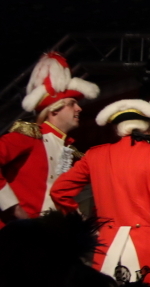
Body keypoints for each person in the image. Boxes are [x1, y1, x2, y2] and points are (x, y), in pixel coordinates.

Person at [51, 98, 150, 287]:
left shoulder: (95, 154)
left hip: (106, 243)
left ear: (117, 128)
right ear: (147, 127)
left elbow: (59, 191)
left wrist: (83, 222)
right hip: (146, 243)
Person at [0, 52, 99, 225]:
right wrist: (13, 207)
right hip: (17, 232)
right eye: (72, 103)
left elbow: (60, 193)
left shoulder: (67, 149)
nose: (79, 108)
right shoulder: (29, 137)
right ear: (54, 109)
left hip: (50, 233)